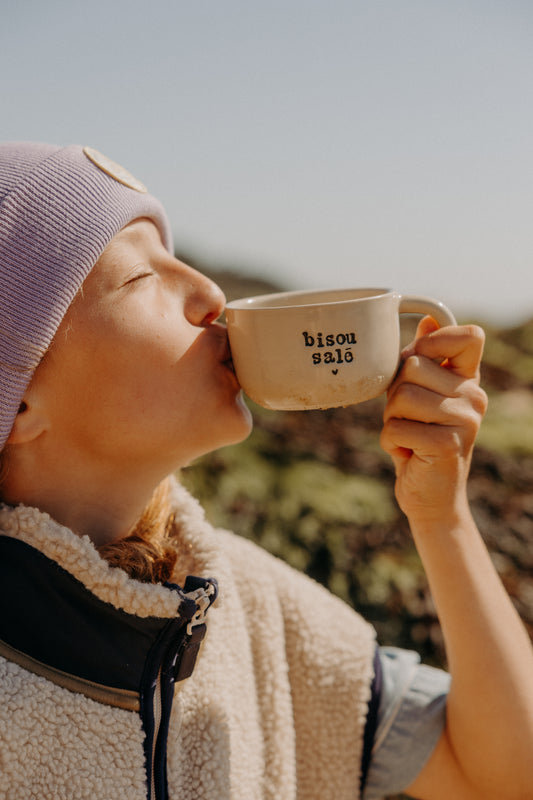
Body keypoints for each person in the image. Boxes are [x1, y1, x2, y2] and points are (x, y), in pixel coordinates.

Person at [0, 142, 531, 800]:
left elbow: (503, 774)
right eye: (141, 279)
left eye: (182, 261)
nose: (210, 293)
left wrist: (441, 517)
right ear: (19, 403)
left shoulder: (256, 610)